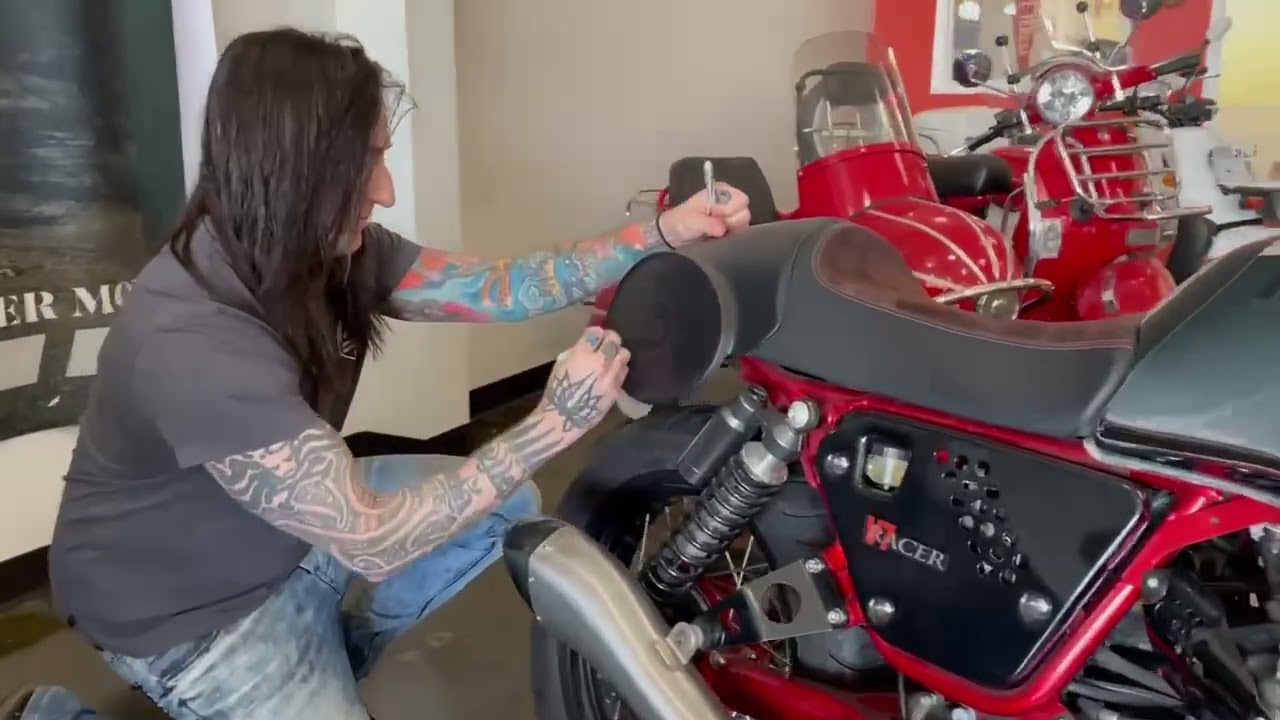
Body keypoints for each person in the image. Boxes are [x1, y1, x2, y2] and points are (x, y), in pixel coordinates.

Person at [4, 27, 749, 720]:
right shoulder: (192, 339)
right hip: (187, 615)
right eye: (365, 167)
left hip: (290, 537)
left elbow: (506, 287)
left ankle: (333, 659)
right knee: (477, 491)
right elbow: (371, 542)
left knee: (505, 503)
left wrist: (659, 231)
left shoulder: (333, 248)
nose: (386, 190)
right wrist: (554, 421)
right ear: (291, 176)